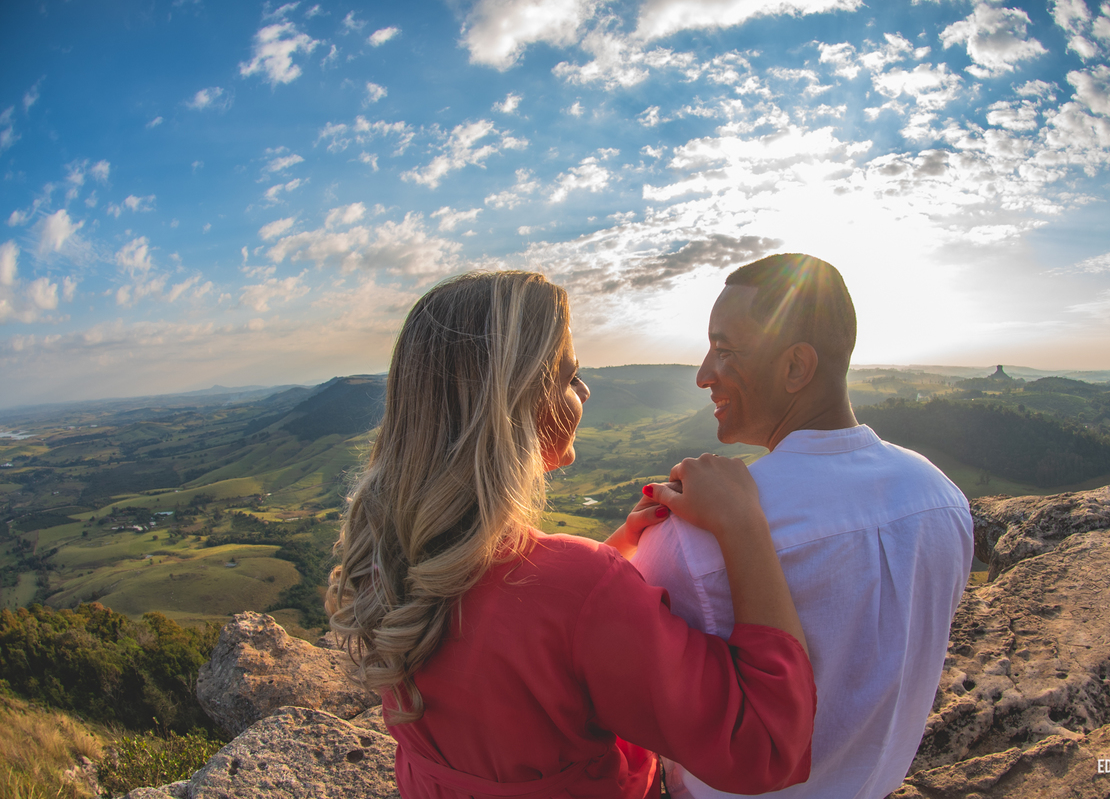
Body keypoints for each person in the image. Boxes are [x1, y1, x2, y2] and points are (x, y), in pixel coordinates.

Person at [326, 270, 817, 799]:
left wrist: (618, 547)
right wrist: (744, 525)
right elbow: (766, 749)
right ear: (517, 405)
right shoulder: (579, 588)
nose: (584, 390)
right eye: (568, 376)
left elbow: (515, 642)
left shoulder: (391, 554)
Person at [631, 253, 974, 799]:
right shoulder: (941, 499)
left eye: (724, 350)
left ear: (795, 367)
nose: (703, 375)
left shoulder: (690, 541)